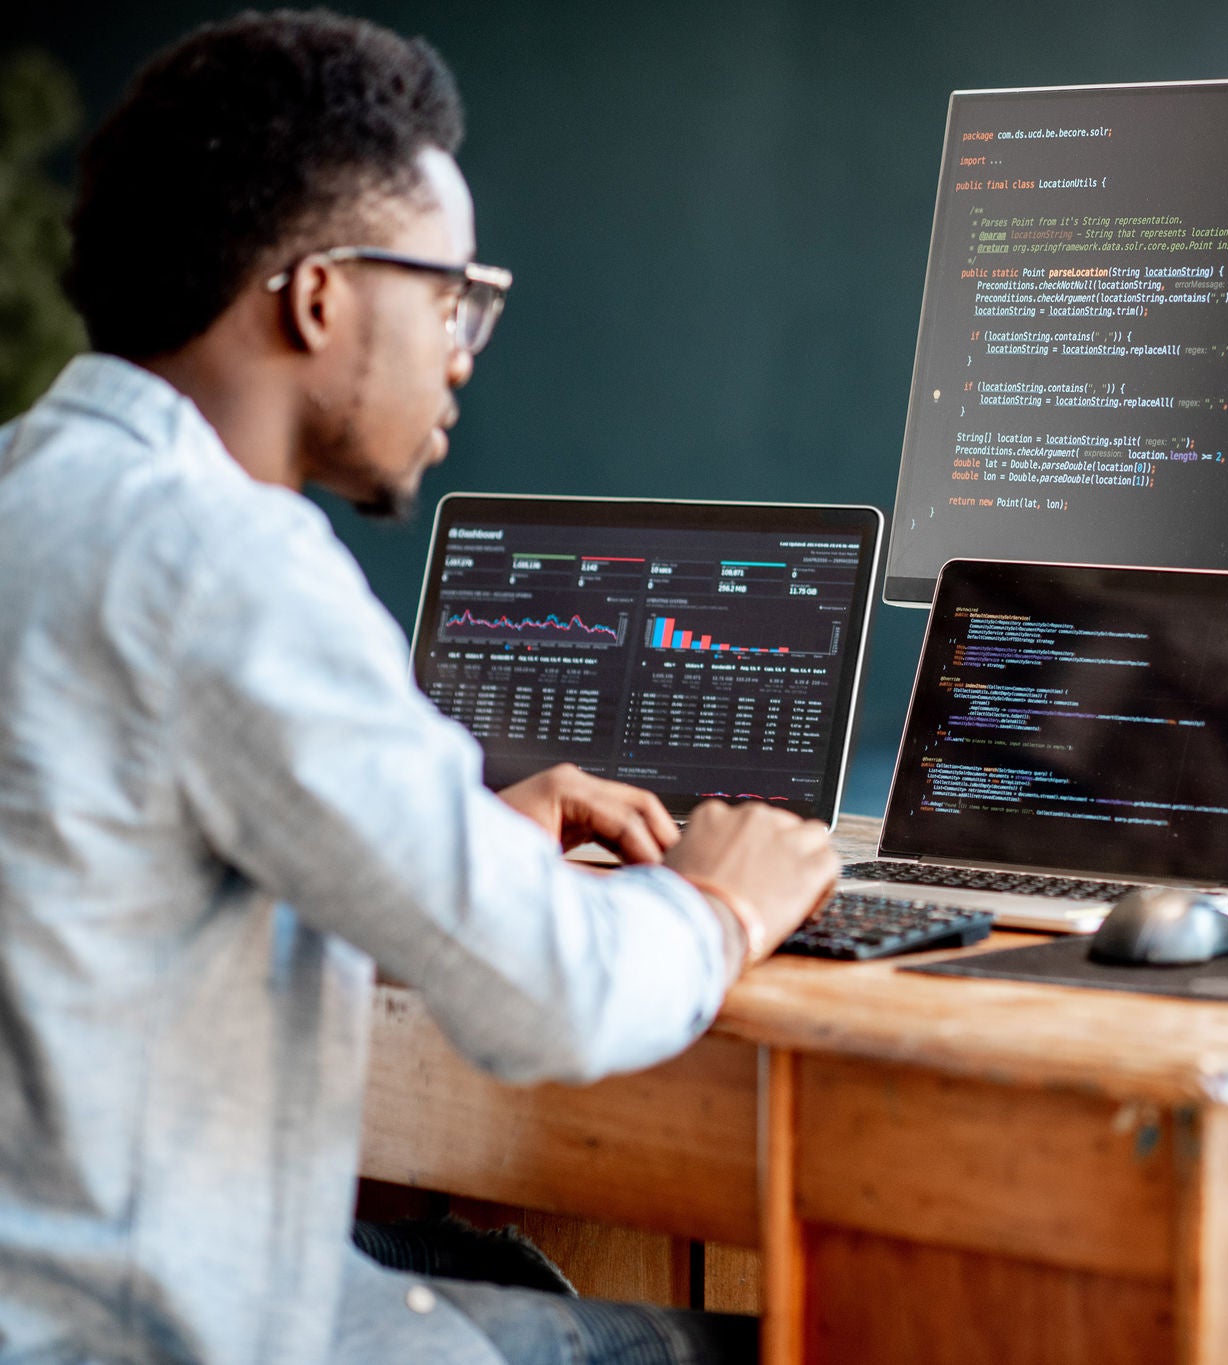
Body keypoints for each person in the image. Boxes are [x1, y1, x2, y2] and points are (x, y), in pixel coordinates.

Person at [0, 11, 836, 1363]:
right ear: (319, 295)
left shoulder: (30, 486)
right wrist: (720, 900)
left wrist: (463, 846)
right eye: (453, 296)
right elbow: (549, 999)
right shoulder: (227, 562)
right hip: (145, 1329)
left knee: (494, 1265)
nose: (461, 349)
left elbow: (107, 886)